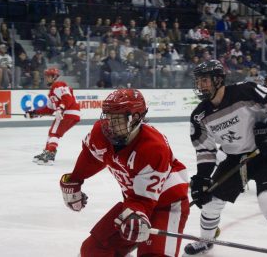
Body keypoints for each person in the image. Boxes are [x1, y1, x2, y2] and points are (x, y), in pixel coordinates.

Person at [185, 60, 267, 255]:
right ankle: (206, 241)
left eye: (205, 80)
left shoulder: (245, 91)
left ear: (218, 79)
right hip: (235, 158)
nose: (201, 85)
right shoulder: (199, 115)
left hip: (266, 155)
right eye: (198, 81)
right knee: (211, 203)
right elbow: (205, 150)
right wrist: (202, 178)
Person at [59, 89, 189, 256]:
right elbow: (93, 155)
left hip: (166, 205)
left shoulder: (153, 148)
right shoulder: (101, 132)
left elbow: (143, 200)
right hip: (134, 203)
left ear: (135, 118)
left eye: (116, 119)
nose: (109, 125)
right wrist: (75, 179)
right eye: (108, 117)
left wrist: (135, 214)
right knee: (93, 250)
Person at [24, 67, 80, 165]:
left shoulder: (59, 85)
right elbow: (49, 109)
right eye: (46, 76)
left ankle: (50, 154)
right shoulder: (52, 92)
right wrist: (34, 113)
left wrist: (61, 108)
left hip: (68, 112)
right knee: (52, 132)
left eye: (49, 76)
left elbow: (68, 98)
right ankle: (47, 151)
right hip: (70, 114)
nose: (46, 78)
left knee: (54, 133)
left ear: (55, 77)